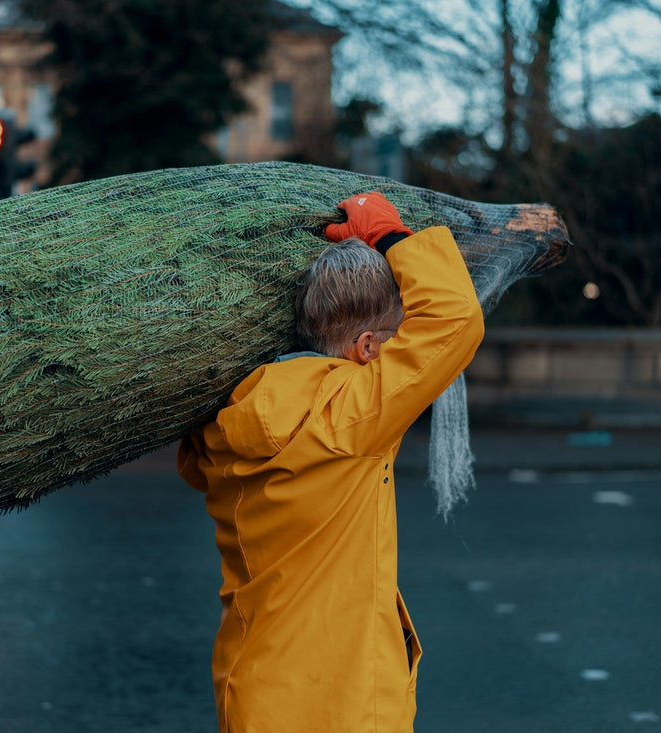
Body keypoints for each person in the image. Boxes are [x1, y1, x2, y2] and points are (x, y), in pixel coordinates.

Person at [177, 192, 484, 732]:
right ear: (368, 347)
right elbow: (455, 319)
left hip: (254, 692)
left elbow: (191, 466)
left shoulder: (229, 421)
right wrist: (390, 235)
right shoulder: (351, 417)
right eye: (396, 340)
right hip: (338, 704)